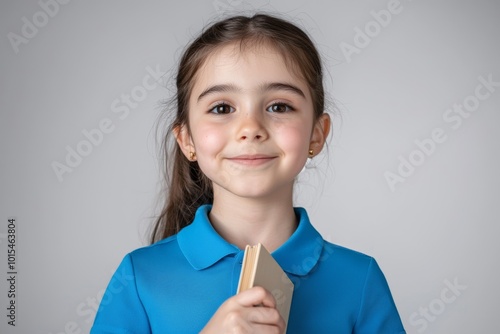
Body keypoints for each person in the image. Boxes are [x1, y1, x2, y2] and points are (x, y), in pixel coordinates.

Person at [90, 13, 406, 333]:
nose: (250, 129)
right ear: (187, 140)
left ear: (316, 134)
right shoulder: (140, 276)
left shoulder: (359, 280)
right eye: (222, 108)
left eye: (279, 106)